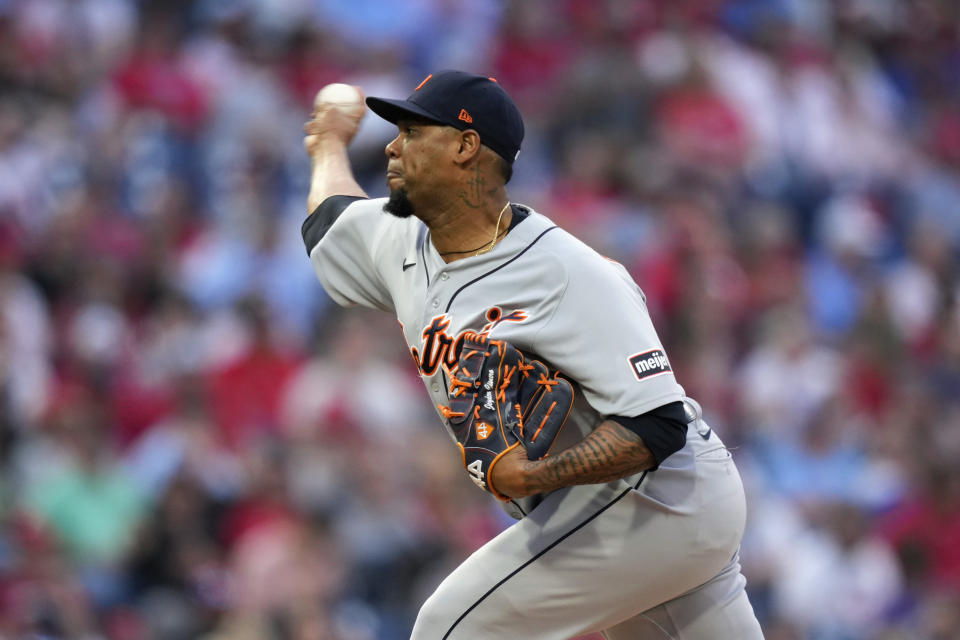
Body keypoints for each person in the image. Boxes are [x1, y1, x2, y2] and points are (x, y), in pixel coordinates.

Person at [302, 70, 764, 639]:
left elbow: (658, 425)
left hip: (658, 500)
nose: (394, 146)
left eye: (413, 132)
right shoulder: (401, 238)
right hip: (623, 514)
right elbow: (329, 221)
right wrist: (326, 143)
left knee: (449, 629)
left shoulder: (569, 273)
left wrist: (536, 474)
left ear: (466, 147)